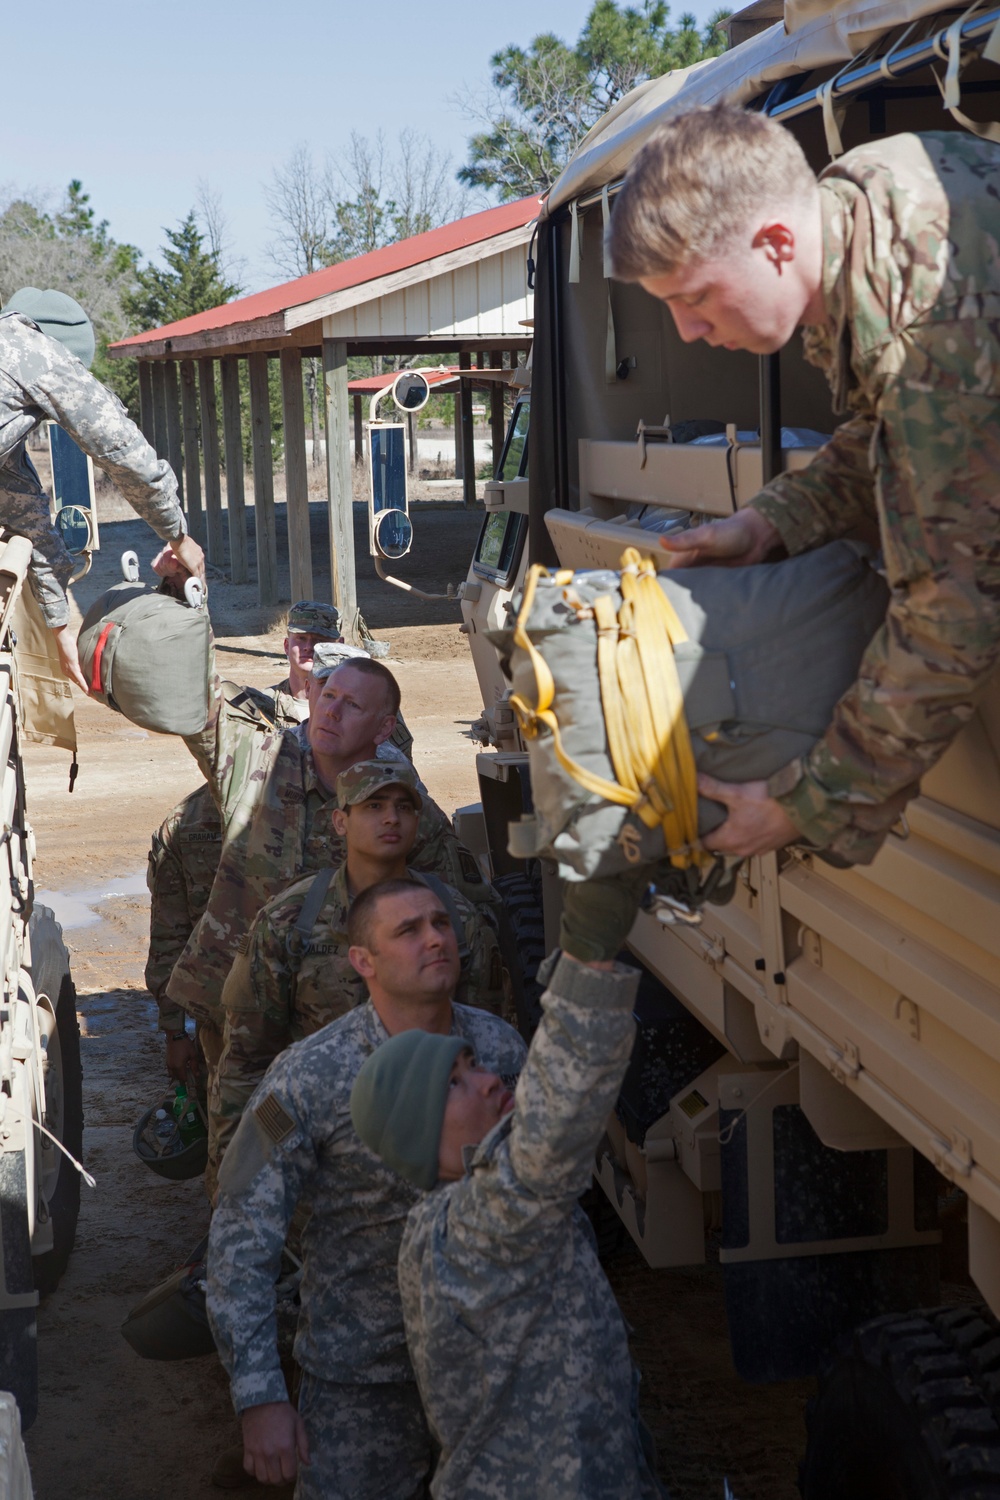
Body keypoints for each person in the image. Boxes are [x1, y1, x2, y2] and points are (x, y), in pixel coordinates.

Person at [606, 106, 1000, 866]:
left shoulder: (931, 319)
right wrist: (767, 524)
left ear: (775, 245)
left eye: (695, 298)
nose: (688, 332)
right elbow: (889, 432)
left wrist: (804, 804)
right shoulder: (858, 210)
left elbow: (954, 612)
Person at [205, 879, 526, 1499]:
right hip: (367, 1380)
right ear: (362, 961)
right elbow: (242, 1238)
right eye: (408, 930)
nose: (435, 938)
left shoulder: (499, 1050)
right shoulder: (308, 1075)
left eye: (441, 923)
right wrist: (261, 1396)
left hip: (490, 1365)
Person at [349, 874, 665, 1499]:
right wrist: (594, 931)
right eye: (456, 1084)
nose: (491, 1082)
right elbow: (559, 1111)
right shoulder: (469, 1223)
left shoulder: (465, 1211)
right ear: (419, 1132)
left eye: (475, 1065)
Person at [160, 646, 497, 1121]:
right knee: (251, 1135)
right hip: (247, 1015)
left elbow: (463, 920)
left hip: (343, 1012)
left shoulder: (398, 803)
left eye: (351, 705)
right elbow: (194, 703)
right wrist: (187, 598)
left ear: (384, 728)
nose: (330, 712)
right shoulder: (259, 763)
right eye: (327, 695)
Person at [213, 759, 504, 1168]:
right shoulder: (292, 920)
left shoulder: (454, 918)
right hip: (323, 1150)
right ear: (339, 821)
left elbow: (485, 1041)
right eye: (373, 806)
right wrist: (228, 1175)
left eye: (404, 808)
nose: (391, 818)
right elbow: (246, 1059)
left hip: (431, 1145)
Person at [0, 287, 205, 690]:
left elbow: (27, 516)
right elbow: (121, 449)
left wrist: (60, 626)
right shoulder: (31, 349)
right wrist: (177, 534)